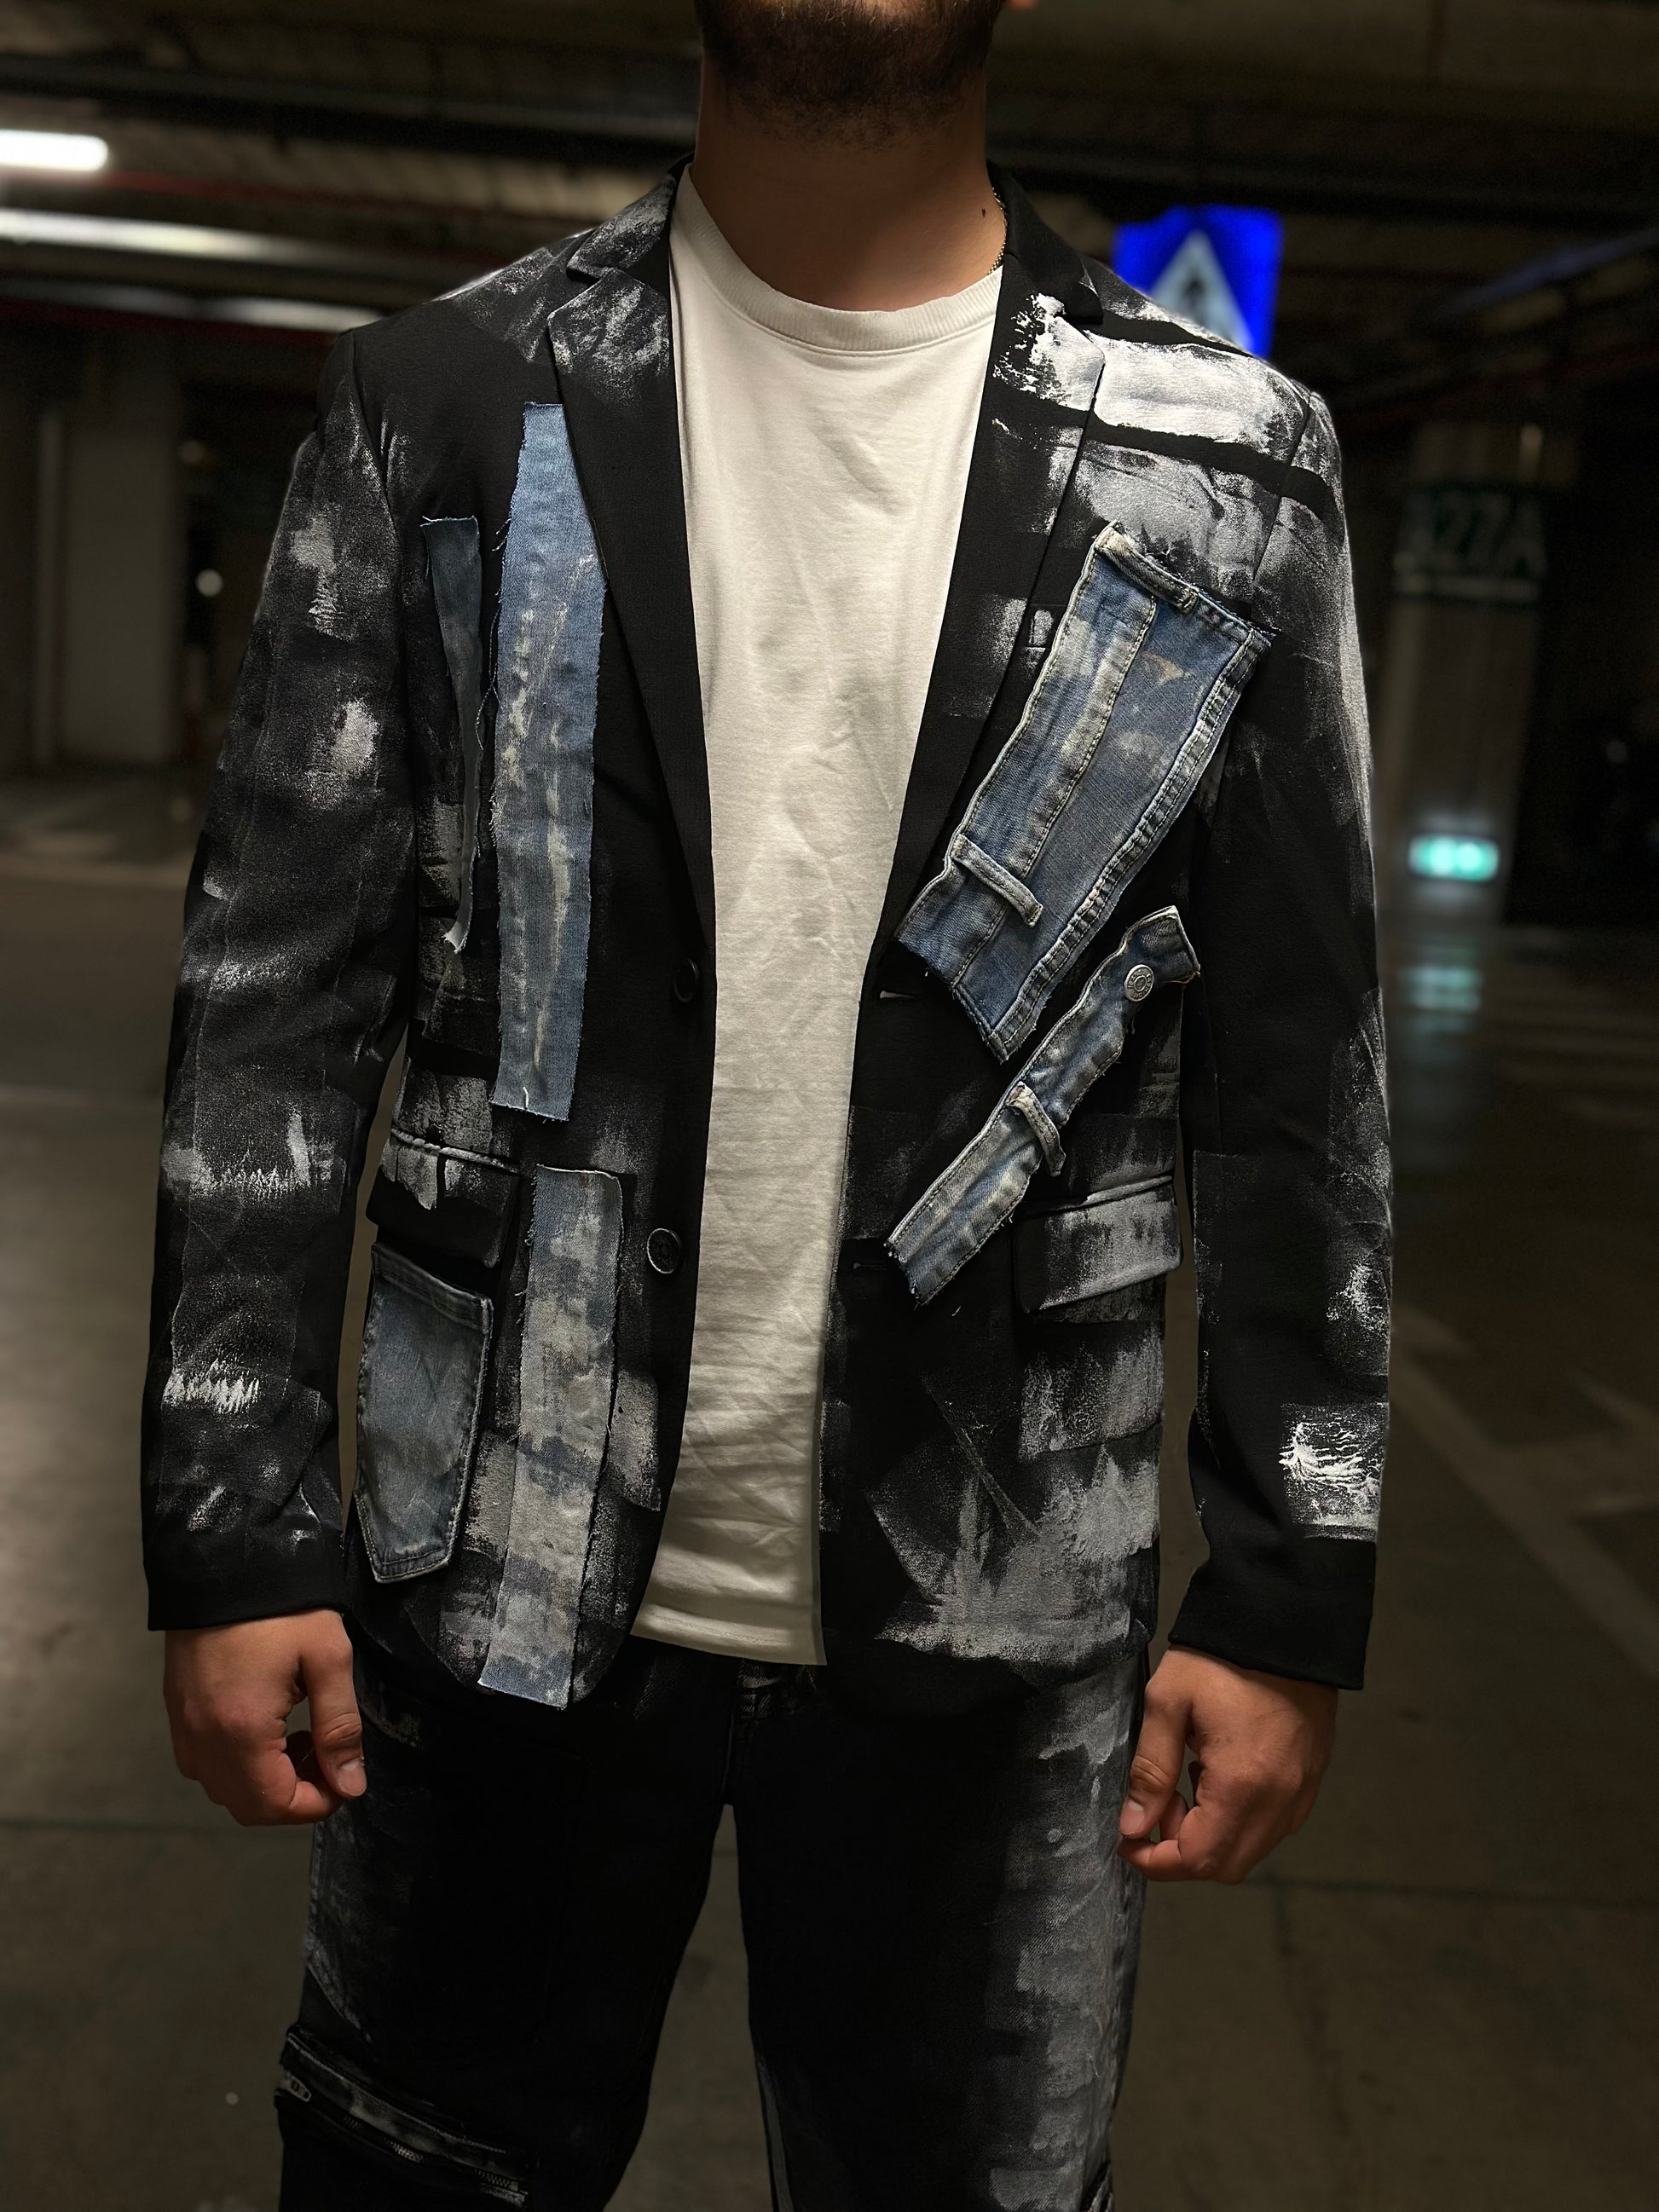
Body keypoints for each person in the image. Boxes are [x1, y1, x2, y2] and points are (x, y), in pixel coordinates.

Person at [143, 2, 1391, 2205]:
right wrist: (235, 1509)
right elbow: (277, 999)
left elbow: (1297, 1076)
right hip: (493, 1560)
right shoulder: (447, 399)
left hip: (999, 1595)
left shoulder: (1225, 458)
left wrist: (1289, 1579)